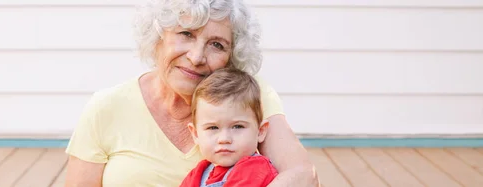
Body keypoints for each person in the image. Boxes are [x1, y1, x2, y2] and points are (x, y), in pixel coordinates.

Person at [64, 0, 319, 186]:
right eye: (186, 34)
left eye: (217, 45)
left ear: (232, 56)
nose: (196, 57)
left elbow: (303, 175)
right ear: (158, 37)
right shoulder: (106, 107)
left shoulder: (247, 95)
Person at [180, 68, 278, 187]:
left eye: (237, 126)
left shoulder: (255, 168)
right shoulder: (199, 173)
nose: (224, 139)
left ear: (260, 131)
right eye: (213, 128)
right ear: (195, 134)